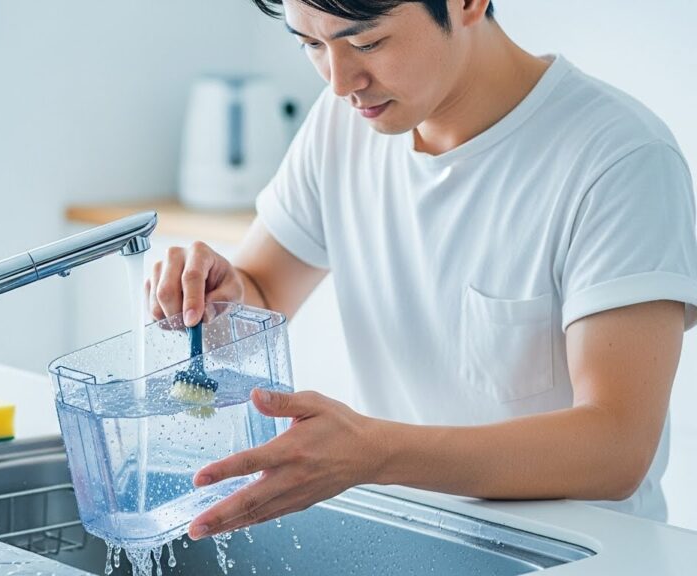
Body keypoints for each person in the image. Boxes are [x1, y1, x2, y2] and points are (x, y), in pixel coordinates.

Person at [145, 0, 697, 540]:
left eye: (367, 42)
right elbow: (262, 287)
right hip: (417, 535)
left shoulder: (620, 160)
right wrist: (219, 296)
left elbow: (617, 447)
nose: (339, 82)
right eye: (312, 44)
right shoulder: (343, 123)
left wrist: (374, 451)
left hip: (574, 555)